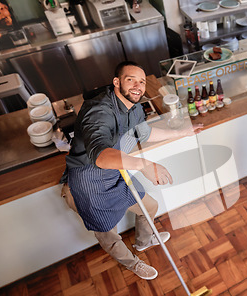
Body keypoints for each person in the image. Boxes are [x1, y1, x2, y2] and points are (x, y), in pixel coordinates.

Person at [61, 61, 202, 280]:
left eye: (142, 81)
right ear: (117, 82)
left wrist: (180, 133)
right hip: (88, 184)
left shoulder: (134, 107)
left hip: (116, 172)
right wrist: (144, 165)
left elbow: (143, 134)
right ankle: (133, 263)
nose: (138, 85)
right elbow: (100, 155)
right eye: (131, 80)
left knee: (150, 207)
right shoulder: (98, 111)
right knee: (109, 235)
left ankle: (143, 242)